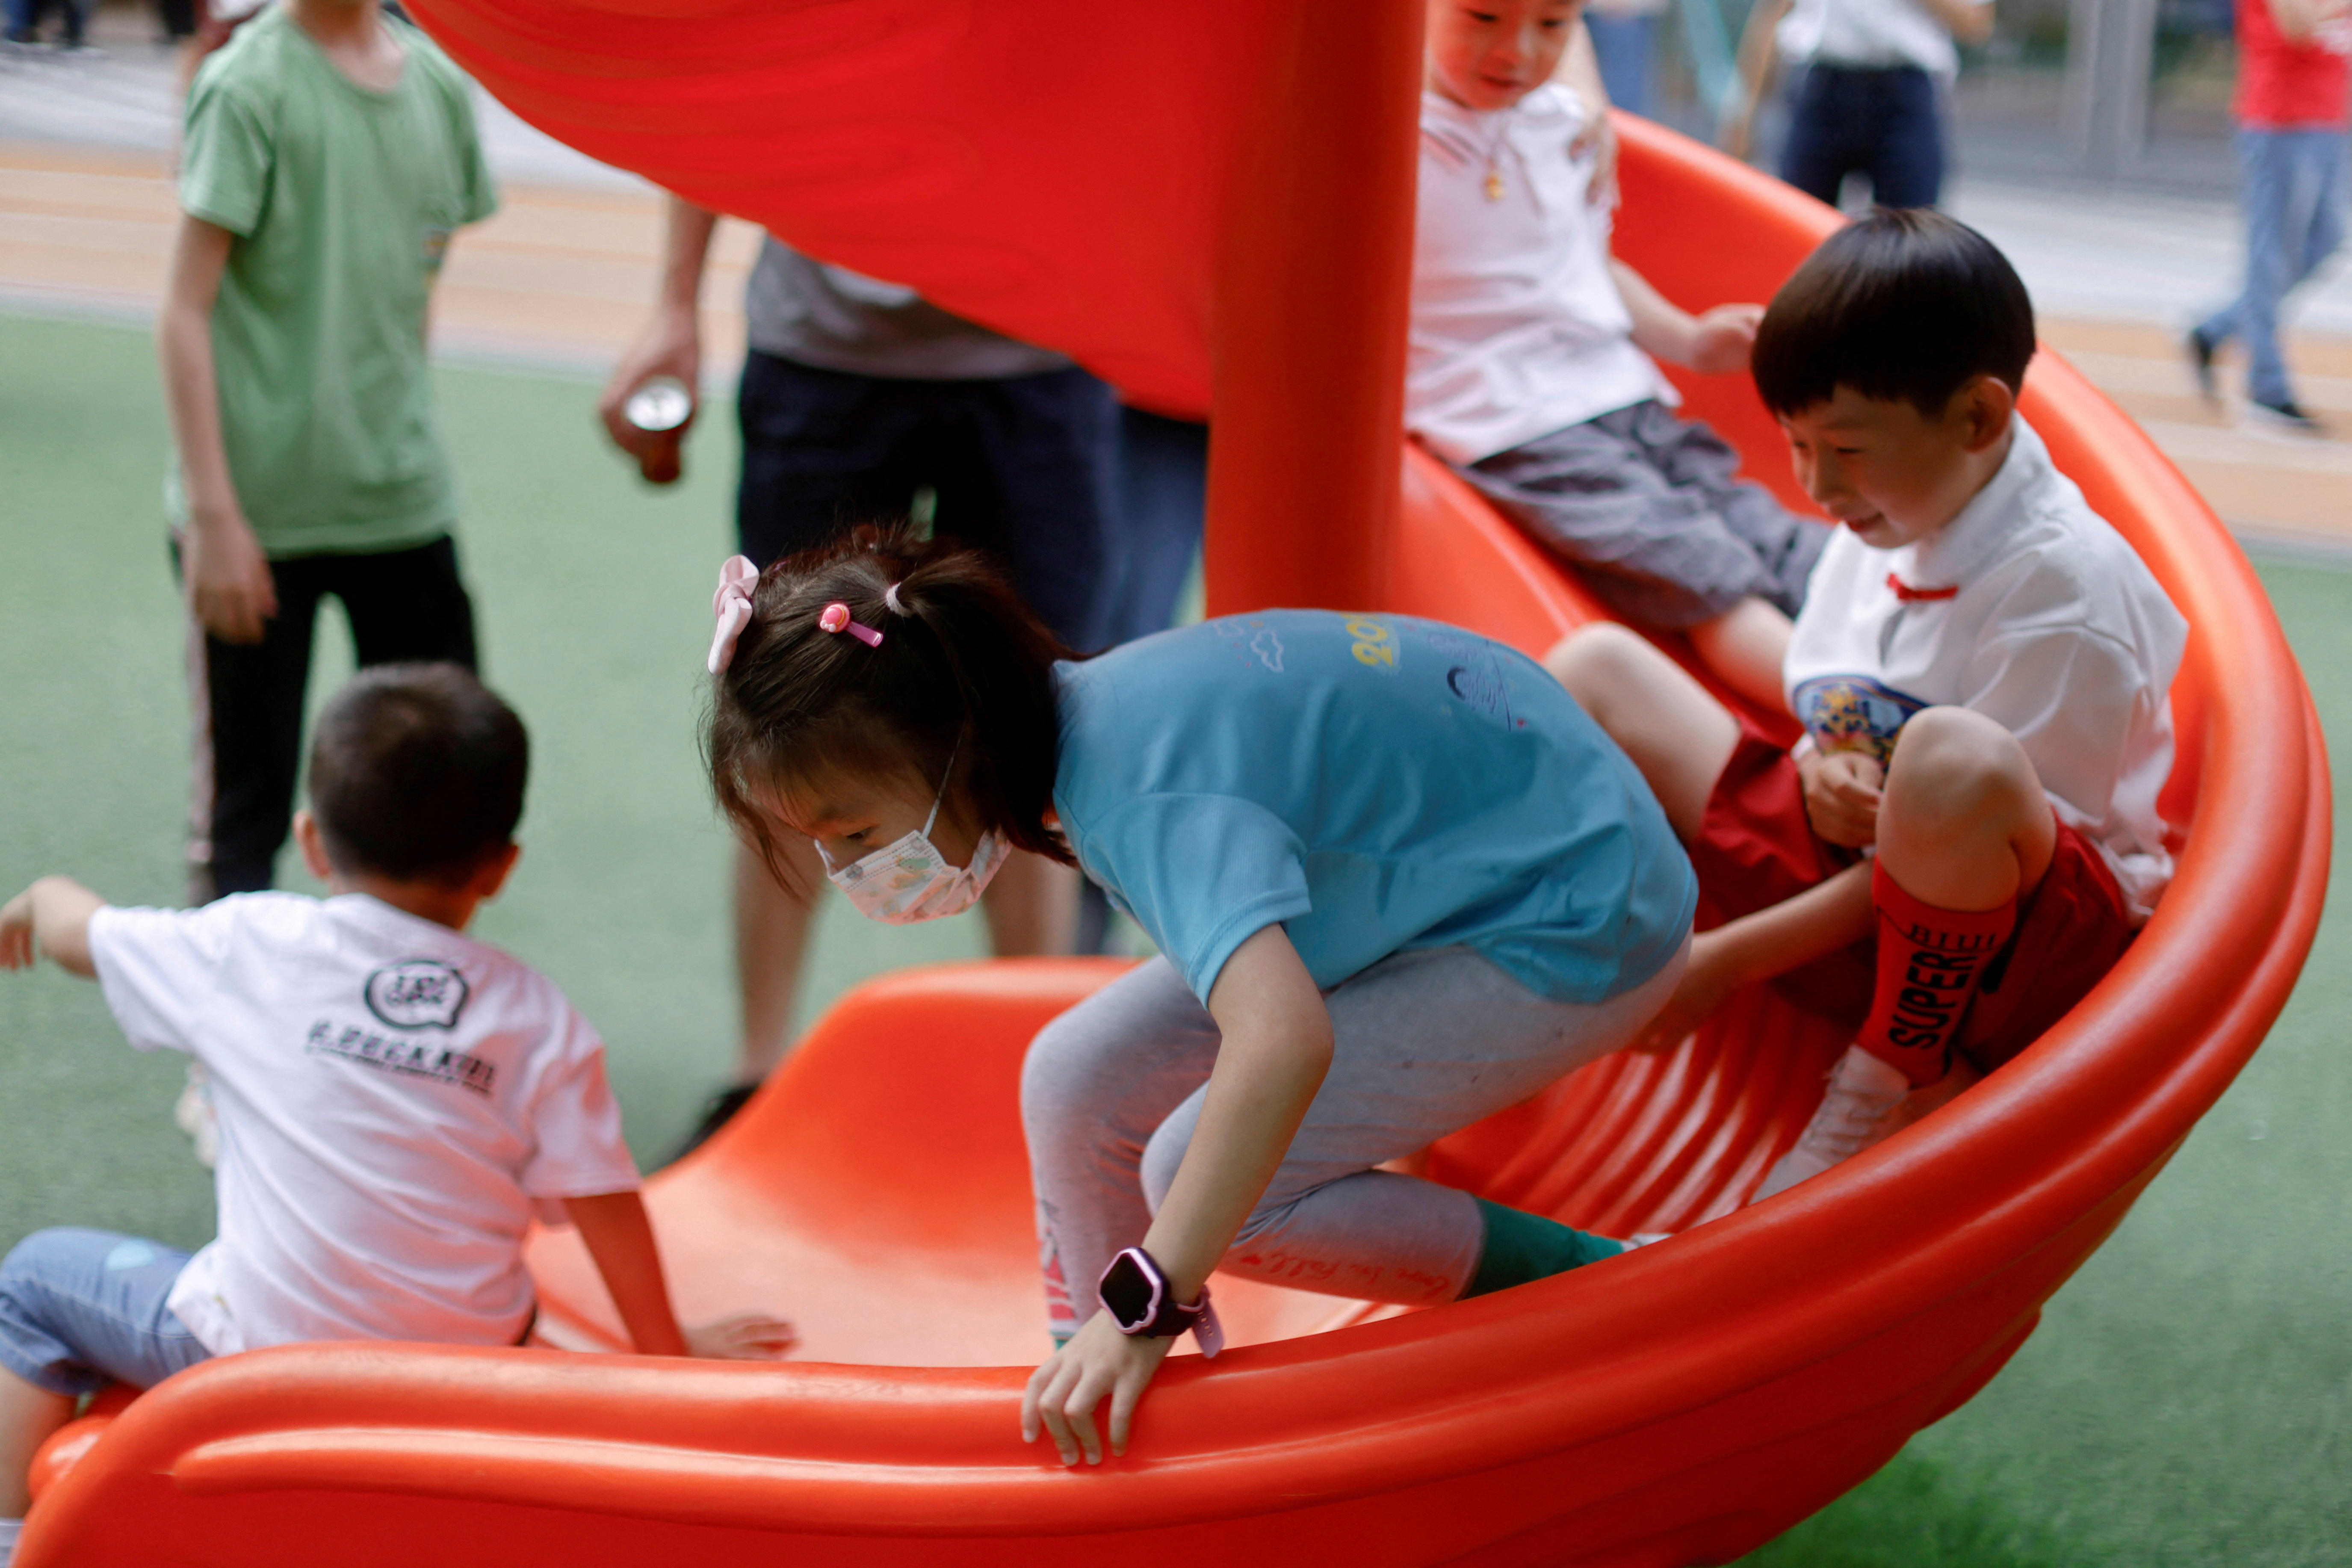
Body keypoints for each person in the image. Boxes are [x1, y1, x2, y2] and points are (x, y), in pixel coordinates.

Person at [699, 524, 1697, 1467]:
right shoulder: (1083, 722)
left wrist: (1152, 1296)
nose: (850, 866)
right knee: (1070, 1070)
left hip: (1576, 910)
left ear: (956, 741)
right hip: (1451, 874)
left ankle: (1612, 1285)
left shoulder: (1136, 793)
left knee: (1213, 1182)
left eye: (857, 832)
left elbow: (1281, 1042)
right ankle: (1089, 1389)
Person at [0, 665, 793, 1565]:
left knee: (32, 1280)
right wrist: (665, 1353)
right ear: (500, 868)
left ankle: (12, 1536)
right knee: (509, 1292)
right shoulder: (538, 1019)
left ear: (312, 841)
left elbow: (82, 933)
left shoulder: (248, 944)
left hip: (259, 1367)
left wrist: (41, 897)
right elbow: (605, 1199)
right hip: (467, 1376)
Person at [1547, 210, 2188, 1201]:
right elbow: (1846, 701)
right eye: (1794, 443)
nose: (1811, 483)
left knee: (1950, 761)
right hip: (1860, 880)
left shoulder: (2063, 591)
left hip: (2005, 956)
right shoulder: (1893, 515)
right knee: (1594, 665)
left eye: (1841, 448)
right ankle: (1521, 944)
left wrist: (1728, 958)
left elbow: (1979, 821)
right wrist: (1818, 762)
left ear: (1975, 419)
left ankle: (1892, 1079)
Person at [599, 210, 1116, 1151]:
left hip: (1037, 349)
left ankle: (1037, 1074)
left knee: (1029, 729)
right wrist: (675, 301)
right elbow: (722, 90)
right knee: (785, 712)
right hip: (826, 349)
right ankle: (755, 1076)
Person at [158, 0, 495, 906]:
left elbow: (411, 286)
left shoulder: (437, 86)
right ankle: (228, 1036)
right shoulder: (249, 84)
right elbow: (184, 310)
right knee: (246, 808)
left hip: (399, 500)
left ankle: (408, 1018)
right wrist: (214, 515)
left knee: (446, 786)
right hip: (259, 515)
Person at [1413, 0, 1829, 711]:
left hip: (1621, 399)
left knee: (1762, 528)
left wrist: (1690, 340)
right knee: (1696, 565)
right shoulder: (1386, 139)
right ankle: (1856, 713)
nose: (1518, 51)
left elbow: (1588, 266)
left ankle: (1924, 634)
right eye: (1482, 17)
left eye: (1552, 26)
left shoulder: (1558, 126)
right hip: (1511, 427)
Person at [2188, 0, 2352, 433]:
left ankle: (2218, 326)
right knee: (2271, 255)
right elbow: (2296, 24)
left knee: (2325, 242)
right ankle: (2266, 388)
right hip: (2278, 117)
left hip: (2325, 115)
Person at [1720, 0, 1994, 211]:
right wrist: (1741, 117)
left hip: (1905, 95)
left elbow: (1975, 24)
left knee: (1914, 244)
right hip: (1823, 91)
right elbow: (1772, 16)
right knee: (1798, 234)